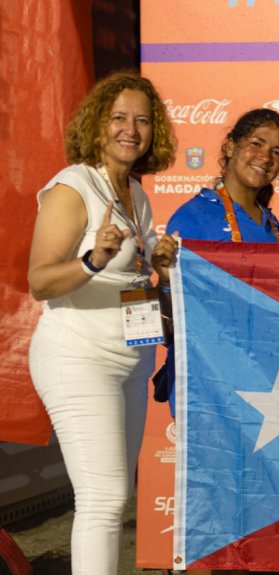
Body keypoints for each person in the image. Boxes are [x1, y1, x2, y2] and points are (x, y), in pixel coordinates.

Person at [27, 71, 176, 575]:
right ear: (97, 124)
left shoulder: (136, 191)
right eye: (118, 118)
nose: (130, 129)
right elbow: (40, 281)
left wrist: (158, 263)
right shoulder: (74, 186)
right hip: (78, 356)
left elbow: (131, 278)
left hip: (132, 359)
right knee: (104, 498)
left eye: (142, 120)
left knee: (117, 497)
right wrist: (91, 259)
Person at [151, 107, 279, 415]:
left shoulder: (273, 224)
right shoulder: (194, 217)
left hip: (266, 388)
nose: (265, 157)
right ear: (230, 146)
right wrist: (164, 281)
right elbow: (168, 325)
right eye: (256, 143)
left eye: (277, 152)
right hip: (211, 391)